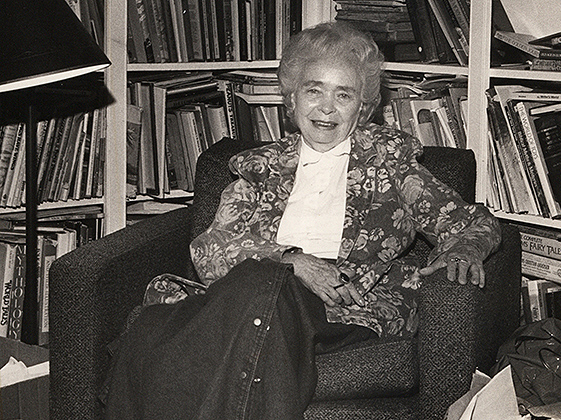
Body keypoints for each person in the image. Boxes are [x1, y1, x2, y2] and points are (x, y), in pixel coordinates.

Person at [104, 21, 501, 420]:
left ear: (362, 108)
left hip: (344, 307)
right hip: (254, 295)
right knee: (165, 322)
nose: (326, 108)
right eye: (314, 90)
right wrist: (292, 261)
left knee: (207, 310)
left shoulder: (390, 163)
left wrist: (464, 249)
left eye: (343, 94)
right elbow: (211, 248)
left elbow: (468, 221)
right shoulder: (262, 168)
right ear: (291, 101)